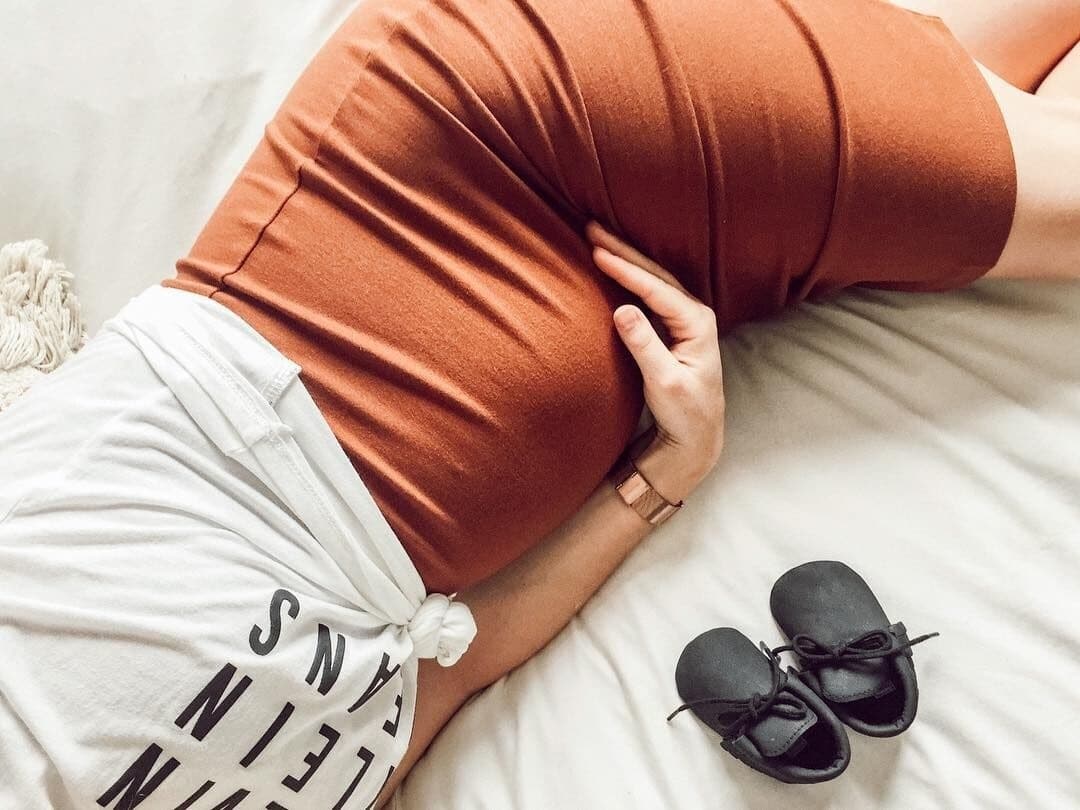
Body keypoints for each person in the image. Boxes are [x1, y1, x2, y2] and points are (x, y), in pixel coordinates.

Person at [0, 0, 1077, 807]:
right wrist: (662, 478)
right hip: (663, 305)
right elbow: (452, 673)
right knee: (989, 111)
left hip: (484, 157)